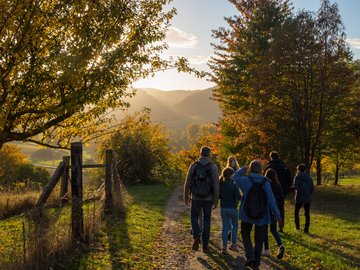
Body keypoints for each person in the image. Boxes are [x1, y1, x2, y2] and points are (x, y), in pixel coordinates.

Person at [234, 160, 281, 269]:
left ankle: (250, 256)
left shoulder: (244, 180)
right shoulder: (266, 182)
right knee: (259, 240)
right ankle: (256, 263)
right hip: (262, 216)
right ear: (261, 170)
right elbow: (271, 200)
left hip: (247, 213)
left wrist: (243, 168)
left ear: (250, 169)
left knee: (245, 233)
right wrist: (277, 215)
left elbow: (235, 177)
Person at [184, 146, 219, 253]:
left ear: (200, 153)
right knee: (207, 220)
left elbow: (188, 181)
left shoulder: (194, 165)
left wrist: (186, 195)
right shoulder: (213, 167)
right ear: (209, 154)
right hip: (208, 198)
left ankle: (196, 236)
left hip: (195, 197)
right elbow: (216, 183)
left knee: (194, 216)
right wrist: (216, 199)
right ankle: (205, 246)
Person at [264, 151, 292, 231]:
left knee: (271, 207)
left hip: (270, 189)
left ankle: (271, 224)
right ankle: (281, 225)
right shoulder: (284, 167)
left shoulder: (269, 166)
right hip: (282, 190)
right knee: (280, 207)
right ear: (278, 156)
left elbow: (264, 178)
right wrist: (286, 189)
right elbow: (289, 179)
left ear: (271, 157)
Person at [262, 169, 285, 259]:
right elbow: (282, 200)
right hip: (274, 210)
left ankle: (266, 250)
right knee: (273, 229)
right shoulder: (278, 186)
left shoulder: (265, 184)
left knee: (264, 230)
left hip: (266, 209)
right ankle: (280, 245)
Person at [219, 167, 241, 254]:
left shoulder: (221, 184)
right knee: (235, 226)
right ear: (232, 175)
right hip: (233, 208)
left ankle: (224, 247)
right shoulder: (234, 185)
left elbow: (219, 196)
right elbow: (238, 197)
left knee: (225, 227)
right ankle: (233, 244)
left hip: (223, 208)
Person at [294, 164, 314, 234]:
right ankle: (306, 229)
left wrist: (299, 192)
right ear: (305, 170)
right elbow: (312, 188)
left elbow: (296, 187)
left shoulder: (297, 177)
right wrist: (308, 194)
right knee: (307, 213)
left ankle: (297, 226)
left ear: (298, 169)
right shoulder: (309, 177)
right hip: (307, 197)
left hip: (299, 197)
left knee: (296, 212)